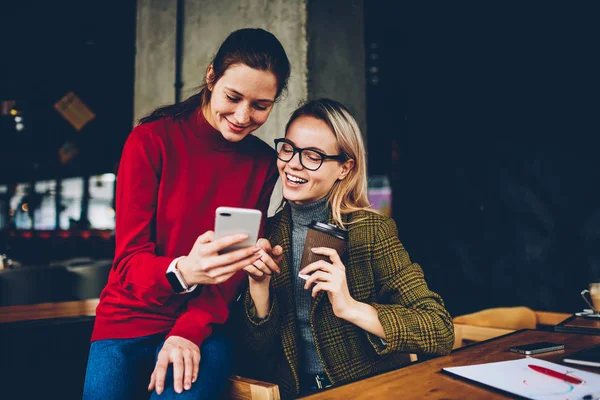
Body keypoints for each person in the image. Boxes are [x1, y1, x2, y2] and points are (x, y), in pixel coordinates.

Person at [83, 28, 291, 400]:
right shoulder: (150, 141)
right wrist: (183, 271)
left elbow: (231, 271)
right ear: (211, 77)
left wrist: (188, 330)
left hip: (203, 325)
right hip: (126, 320)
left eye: (261, 105)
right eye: (233, 97)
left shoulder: (262, 163)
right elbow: (130, 262)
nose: (243, 116)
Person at [235, 98, 454, 399]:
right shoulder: (268, 233)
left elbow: (439, 330)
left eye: (313, 156)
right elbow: (257, 355)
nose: (293, 163)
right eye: (289, 148)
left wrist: (351, 307)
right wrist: (259, 289)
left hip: (369, 391)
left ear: (344, 168)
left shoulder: (371, 231)